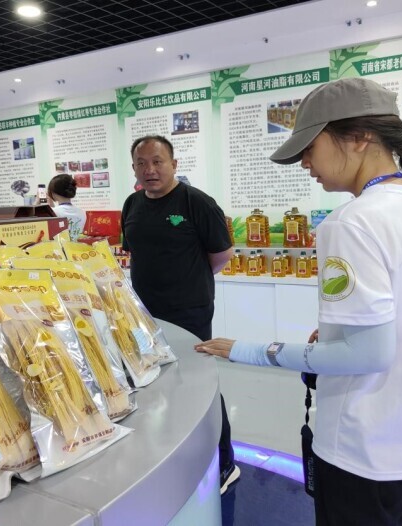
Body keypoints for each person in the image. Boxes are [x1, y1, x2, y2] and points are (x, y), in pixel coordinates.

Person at [194, 78, 402, 525]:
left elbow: (368, 354)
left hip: (361, 452)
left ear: (359, 137)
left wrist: (251, 350)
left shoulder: (351, 222)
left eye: (310, 147)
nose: (305, 162)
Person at [121, 135, 239, 493]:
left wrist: (189, 281)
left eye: (157, 161)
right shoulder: (132, 204)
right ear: (134, 168)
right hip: (144, 315)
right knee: (155, 383)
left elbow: (222, 255)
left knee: (199, 387)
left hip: (190, 311)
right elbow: (135, 253)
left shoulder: (196, 202)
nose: (150, 170)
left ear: (174, 164)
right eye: (142, 163)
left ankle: (225, 462)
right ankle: (175, 452)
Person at [48, 173, 87, 241]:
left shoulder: (53, 212)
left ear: (53, 193)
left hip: (60, 247)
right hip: (79, 247)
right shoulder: (83, 212)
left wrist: (36, 202)